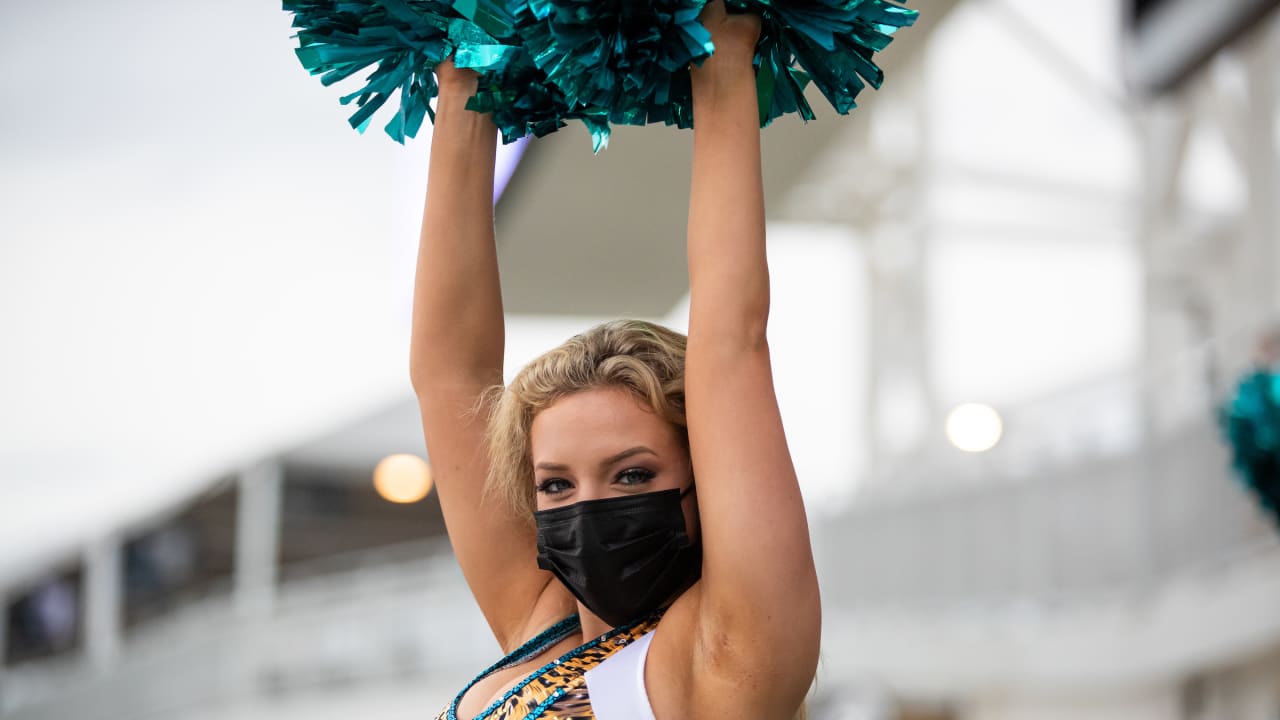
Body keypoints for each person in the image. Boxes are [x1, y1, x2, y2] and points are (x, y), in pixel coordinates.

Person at [410, 3, 821, 717]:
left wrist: (725, 49)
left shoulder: (727, 656)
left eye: (633, 474)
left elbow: (732, 344)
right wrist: (463, 70)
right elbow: (449, 372)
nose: (590, 509)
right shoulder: (542, 619)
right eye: (556, 486)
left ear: (706, 468)